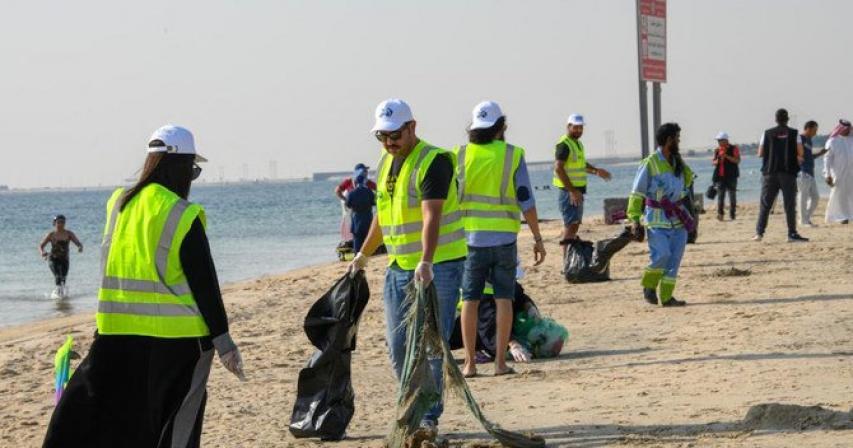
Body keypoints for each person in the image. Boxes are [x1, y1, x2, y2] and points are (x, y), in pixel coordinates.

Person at [43, 125, 244, 448]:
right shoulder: (181, 213)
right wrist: (224, 342)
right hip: (180, 341)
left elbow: (108, 266)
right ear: (180, 167)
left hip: (116, 335)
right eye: (192, 170)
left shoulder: (118, 205)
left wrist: (101, 328)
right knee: (176, 421)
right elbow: (204, 280)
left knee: (127, 421)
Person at [348, 99, 467, 436]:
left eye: (395, 135)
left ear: (412, 127)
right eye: (382, 136)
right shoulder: (386, 162)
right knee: (398, 344)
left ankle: (427, 415)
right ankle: (413, 404)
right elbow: (382, 216)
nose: (389, 142)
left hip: (438, 266)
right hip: (399, 266)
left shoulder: (434, 161)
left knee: (431, 344)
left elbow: (432, 215)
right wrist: (363, 254)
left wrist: (426, 261)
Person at [453, 101, 546, 378]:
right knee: (503, 299)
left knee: (470, 300)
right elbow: (526, 199)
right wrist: (538, 238)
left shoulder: (459, 155)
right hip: (504, 240)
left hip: (470, 240)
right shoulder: (512, 155)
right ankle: (499, 364)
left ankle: (469, 364)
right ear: (501, 126)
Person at [627, 123, 694, 307]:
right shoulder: (650, 163)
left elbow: (688, 184)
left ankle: (667, 297)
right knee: (662, 255)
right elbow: (637, 193)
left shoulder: (679, 163)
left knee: (674, 261)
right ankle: (649, 285)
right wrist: (634, 219)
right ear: (669, 140)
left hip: (679, 220)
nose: (679, 141)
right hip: (657, 220)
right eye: (677, 138)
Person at [553, 113, 612, 256]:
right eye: (576, 127)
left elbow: (581, 165)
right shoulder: (564, 144)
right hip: (568, 192)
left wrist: (596, 171)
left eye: (581, 127)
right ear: (568, 126)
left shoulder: (577, 144)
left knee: (574, 225)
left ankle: (570, 258)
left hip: (576, 192)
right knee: (571, 225)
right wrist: (572, 191)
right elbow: (558, 168)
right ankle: (567, 260)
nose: (579, 130)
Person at [754, 108, 808, 242]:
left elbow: (760, 153)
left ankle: (759, 233)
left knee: (765, 204)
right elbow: (801, 152)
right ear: (787, 119)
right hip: (788, 172)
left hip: (770, 172)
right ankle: (791, 233)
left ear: (776, 119)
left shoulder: (767, 133)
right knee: (789, 205)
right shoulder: (794, 133)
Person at [38, 215, 83, 297]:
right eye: (59, 222)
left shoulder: (69, 234)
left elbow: (78, 243)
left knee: (63, 278)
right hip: (53, 259)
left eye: (63, 222)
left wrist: (80, 247)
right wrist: (42, 252)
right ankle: (57, 296)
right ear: (54, 223)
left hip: (65, 259)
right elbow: (41, 246)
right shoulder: (51, 234)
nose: (61, 224)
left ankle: (62, 297)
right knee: (58, 276)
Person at [823, 119, 853, 224]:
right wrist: (827, 175)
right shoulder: (833, 141)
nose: (848, 130)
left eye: (849, 128)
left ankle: (850, 215)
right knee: (839, 195)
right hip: (838, 173)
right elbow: (827, 159)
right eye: (846, 128)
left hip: (851, 173)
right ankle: (841, 217)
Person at [799, 121, 827, 226]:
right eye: (814, 130)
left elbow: (809, 156)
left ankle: (806, 218)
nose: (816, 133)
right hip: (802, 172)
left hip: (811, 173)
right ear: (808, 128)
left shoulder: (809, 140)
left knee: (815, 197)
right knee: (803, 197)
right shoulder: (800, 139)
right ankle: (803, 221)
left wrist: (820, 153)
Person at [711, 132, 740, 221]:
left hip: (732, 176)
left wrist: (726, 156)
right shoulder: (717, 150)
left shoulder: (734, 148)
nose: (718, 142)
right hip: (720, 176)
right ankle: (720, 214)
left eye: (720, 140)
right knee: (720, 196)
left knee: (732, 195)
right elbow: (713, 162)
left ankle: (732, 214)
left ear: (726, 140)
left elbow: (737, 161)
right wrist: (718, 160)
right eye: (718, 140)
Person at [345, 172, 376, 252]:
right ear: (364, 182)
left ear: (355, 182)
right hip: (367, 218)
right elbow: (374, 202)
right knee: (367, 241)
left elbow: (348, 204)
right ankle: (367, 255)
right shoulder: (369, 192)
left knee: (357, 241)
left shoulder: (352, 193)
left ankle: (357, 255)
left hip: (356, 219)